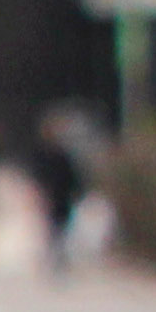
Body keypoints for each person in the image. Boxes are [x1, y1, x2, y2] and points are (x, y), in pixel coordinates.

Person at [22, 112, 91, 281]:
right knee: (53, 228)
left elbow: (73, 177)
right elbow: (38, 176)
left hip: (62, 197)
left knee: (60, 227)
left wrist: (78, 192)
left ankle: (57, 257)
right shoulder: (45, 155)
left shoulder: (63, 156)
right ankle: (54, 256)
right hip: (52, 197)